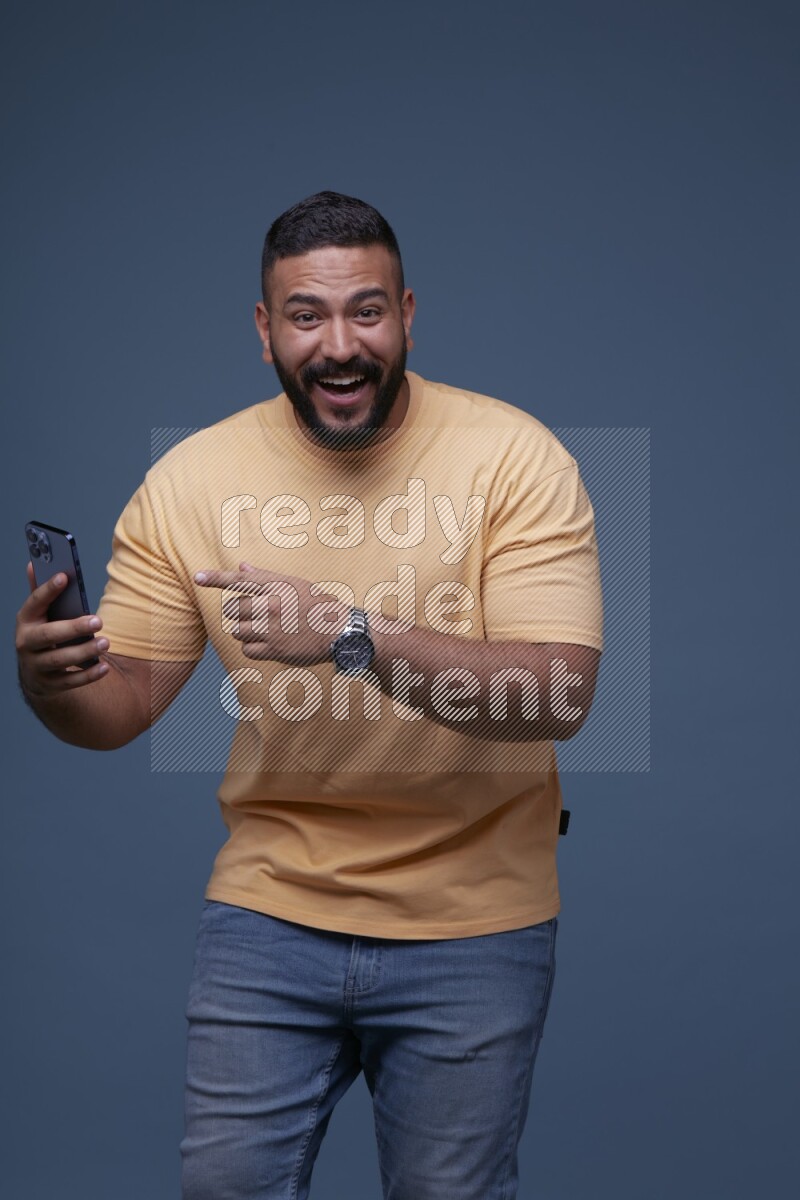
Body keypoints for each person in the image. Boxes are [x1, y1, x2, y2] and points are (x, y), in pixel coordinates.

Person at [16, 191, 604, 1199]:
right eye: (306, 316)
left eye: (366, 311)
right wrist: (51, 681)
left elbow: (555, 695)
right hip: (269, 910)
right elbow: (118, 711)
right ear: (264, 331)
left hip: (476, 918)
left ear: (408, 315)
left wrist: (348, 636)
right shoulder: (191, 480)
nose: (340, 345)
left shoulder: (513, 458)